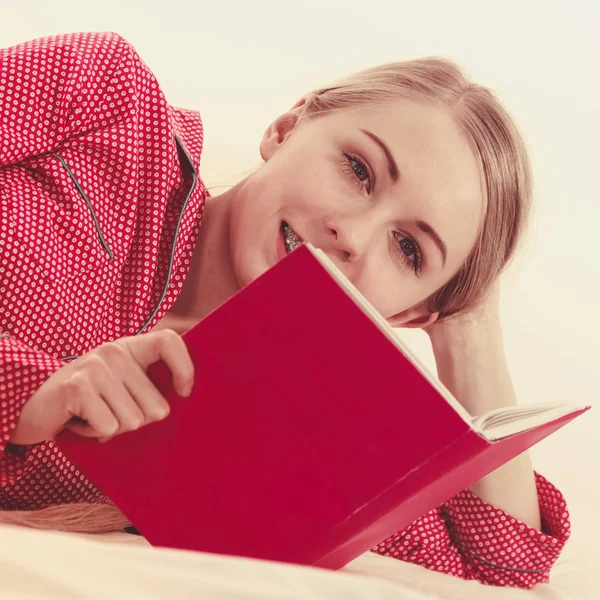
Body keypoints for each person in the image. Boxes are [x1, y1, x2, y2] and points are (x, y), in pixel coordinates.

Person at [0, 32, 569, 588]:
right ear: (286, 127)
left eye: (409, 249)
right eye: (358, 169)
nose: (352, 234)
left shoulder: (317, 447)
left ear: (410, 316)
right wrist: (31, 390)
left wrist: (468, 324)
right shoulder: (106, 97)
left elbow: (506, 560)